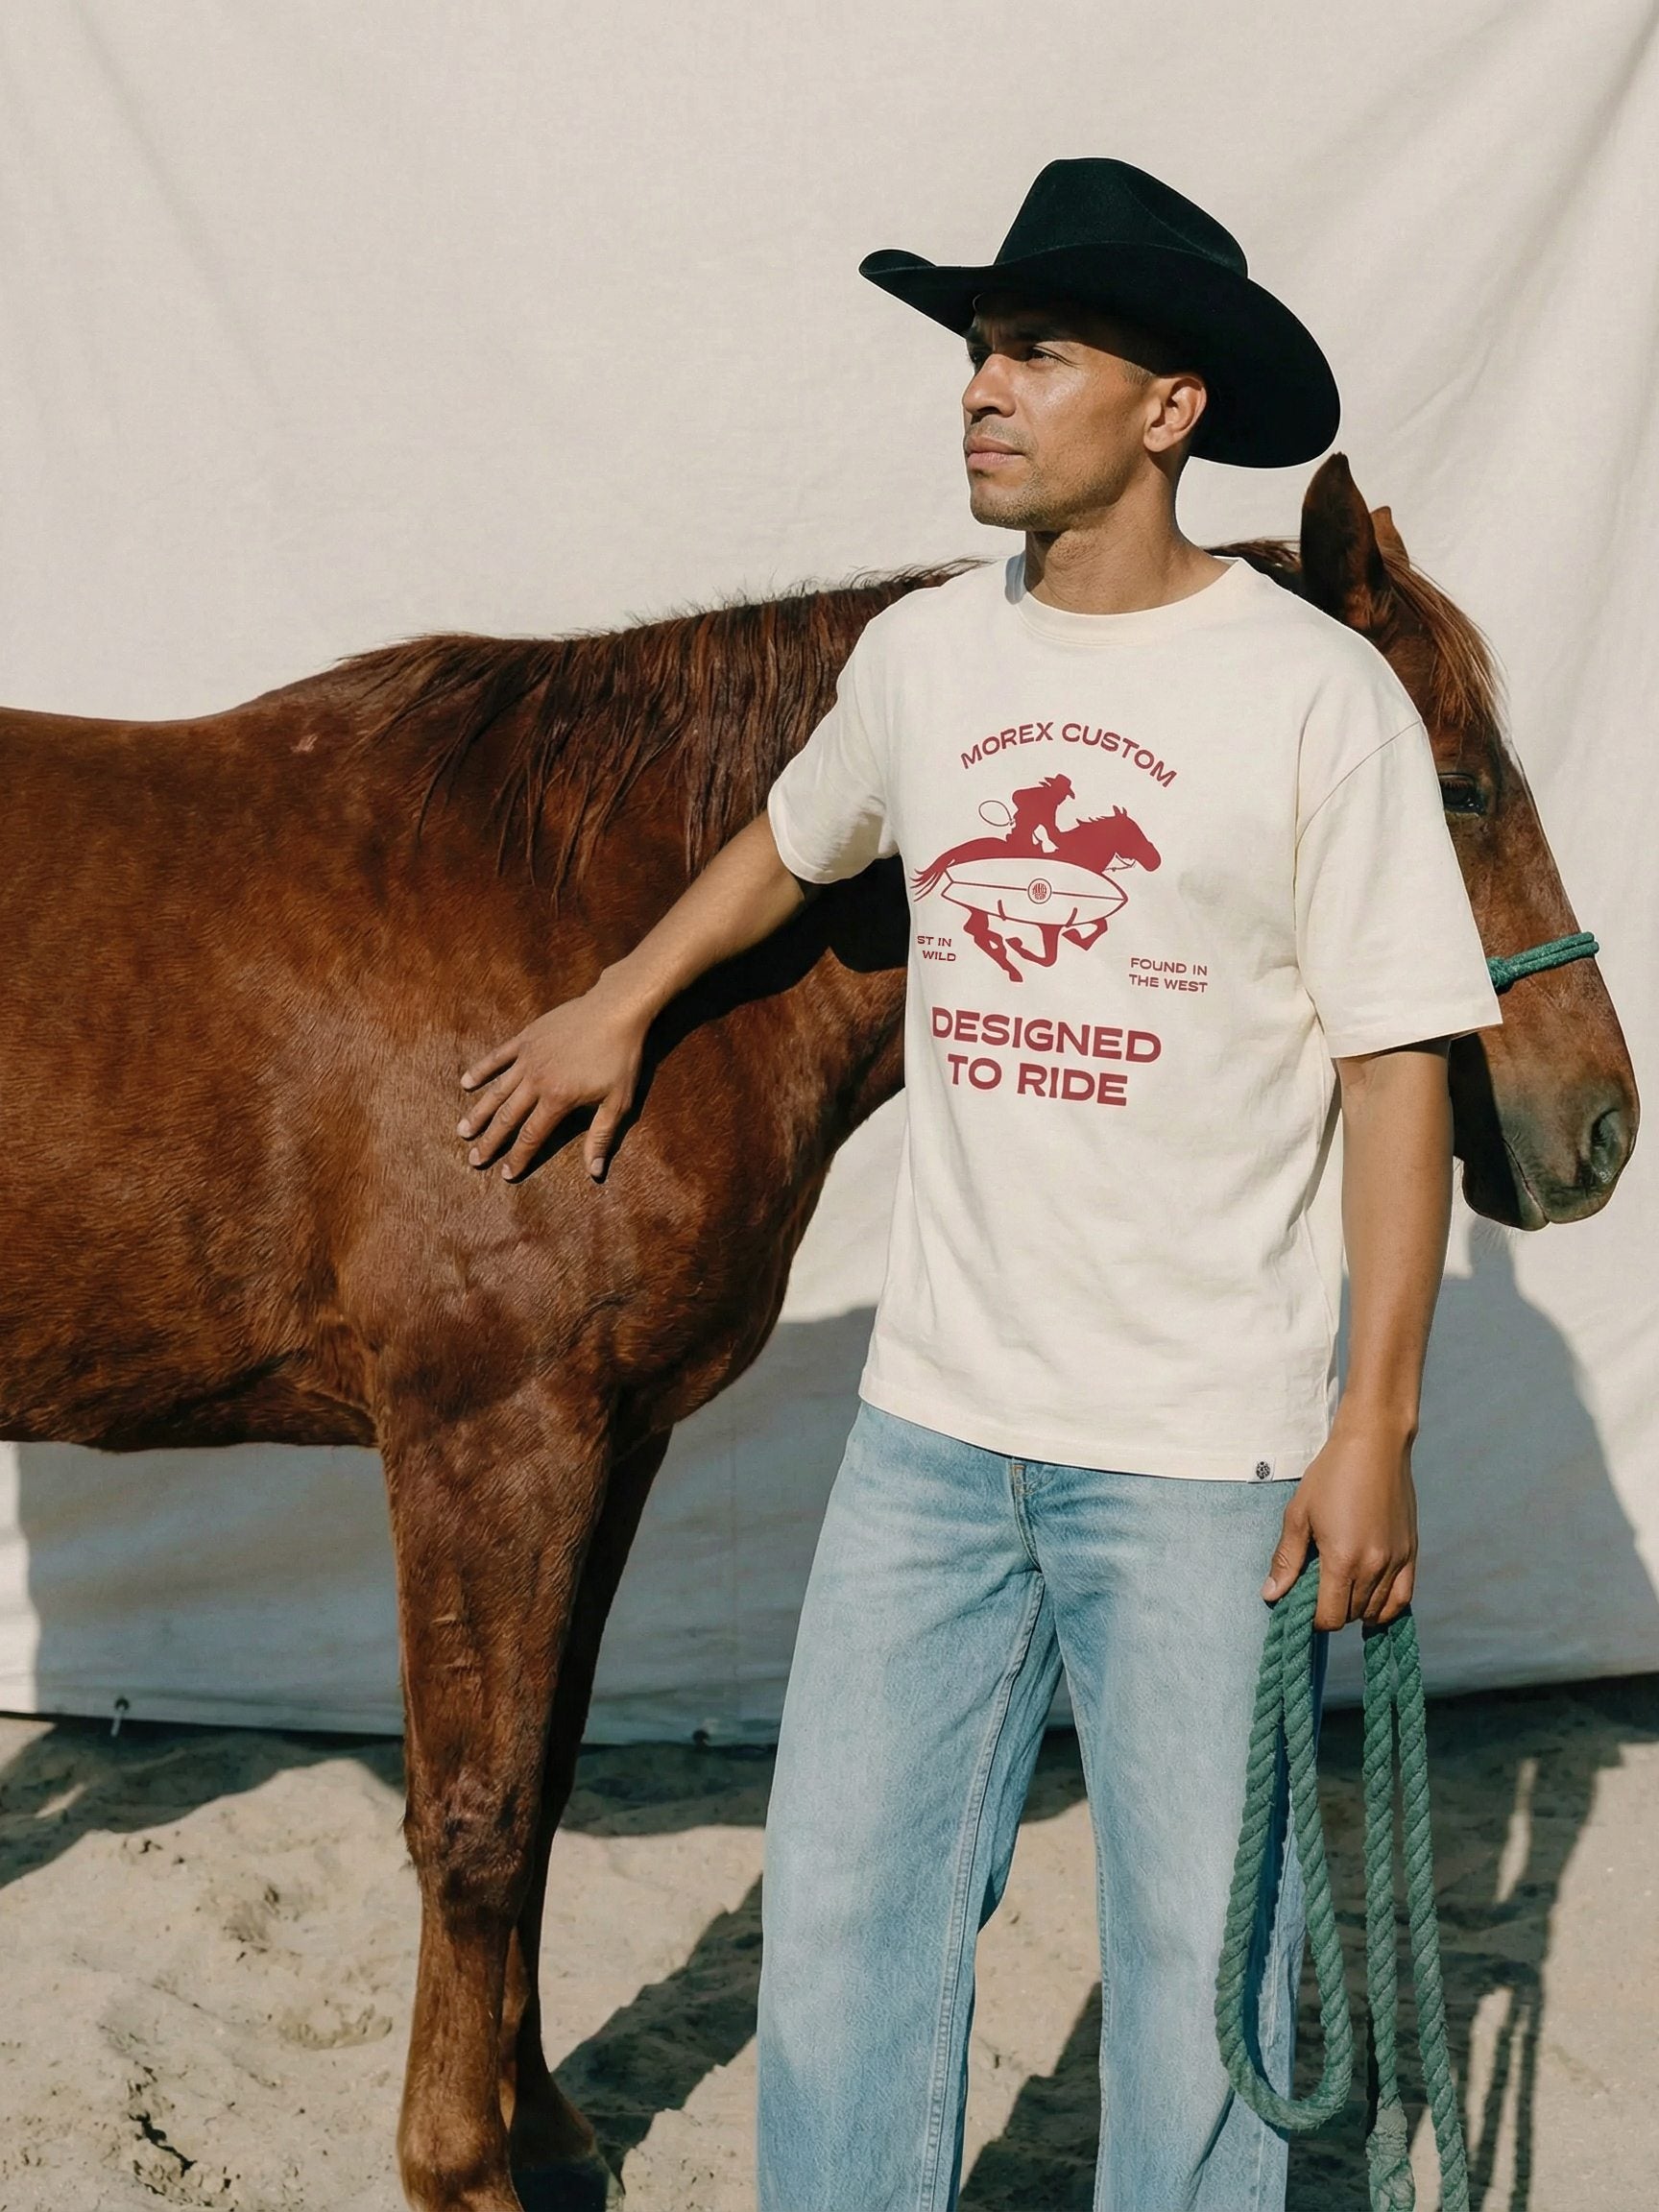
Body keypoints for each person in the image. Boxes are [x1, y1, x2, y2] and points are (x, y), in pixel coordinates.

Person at [454, 157, 1503, 2212]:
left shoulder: (1316, 697)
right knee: (848, 1935)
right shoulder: (930, 656)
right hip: (931, 1440)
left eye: (1038, 352)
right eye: (977, 351)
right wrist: (620, 998)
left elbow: (1398, 1068)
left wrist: (1373, 1424)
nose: (982, 388)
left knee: (1205, 1981)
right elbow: (796, 838)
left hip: (1203, 1462)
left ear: (1171, 409)